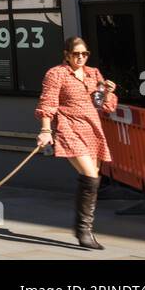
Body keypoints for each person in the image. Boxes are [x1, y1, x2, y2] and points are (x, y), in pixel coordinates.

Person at [36, 36, 118, 250]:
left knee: (93, 179)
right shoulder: (56, 74)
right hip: (69, 128)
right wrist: (45, 130)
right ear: (66, 55)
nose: (80, 57)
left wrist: (106, 92)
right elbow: (48, 102)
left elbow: (100, 105)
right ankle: (83, 231)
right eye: (76, 54)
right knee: (90, 177)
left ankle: (84, 229)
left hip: (92, 129)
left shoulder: (93, 73)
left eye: (84, 54)